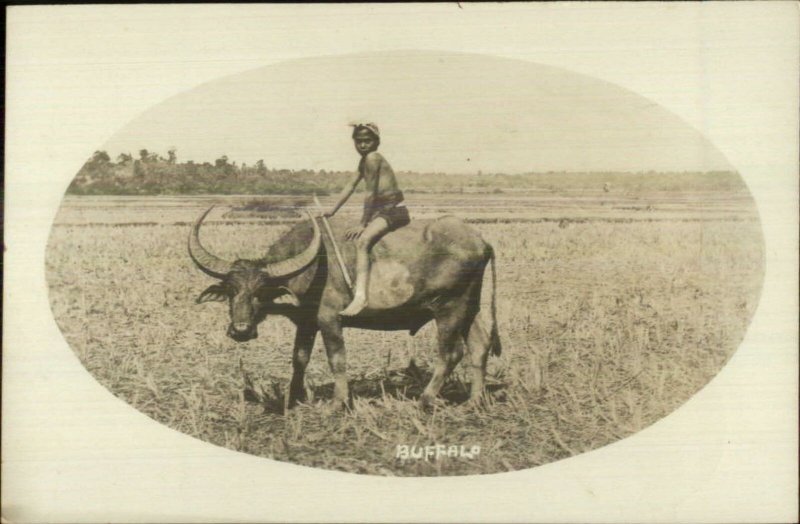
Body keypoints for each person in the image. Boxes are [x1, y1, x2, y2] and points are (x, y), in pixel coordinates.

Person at [323, 122, 410, 316]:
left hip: (393, 210)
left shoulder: (372, 158)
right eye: (359, 141)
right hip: (382, 212)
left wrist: (363, 223)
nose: (363, 145)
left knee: (362, 242)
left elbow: (370, 193)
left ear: (376, 142)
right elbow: (350, 186)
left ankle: (360, 297)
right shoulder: (364, 161)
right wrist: (332, 211)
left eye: (367, 141)